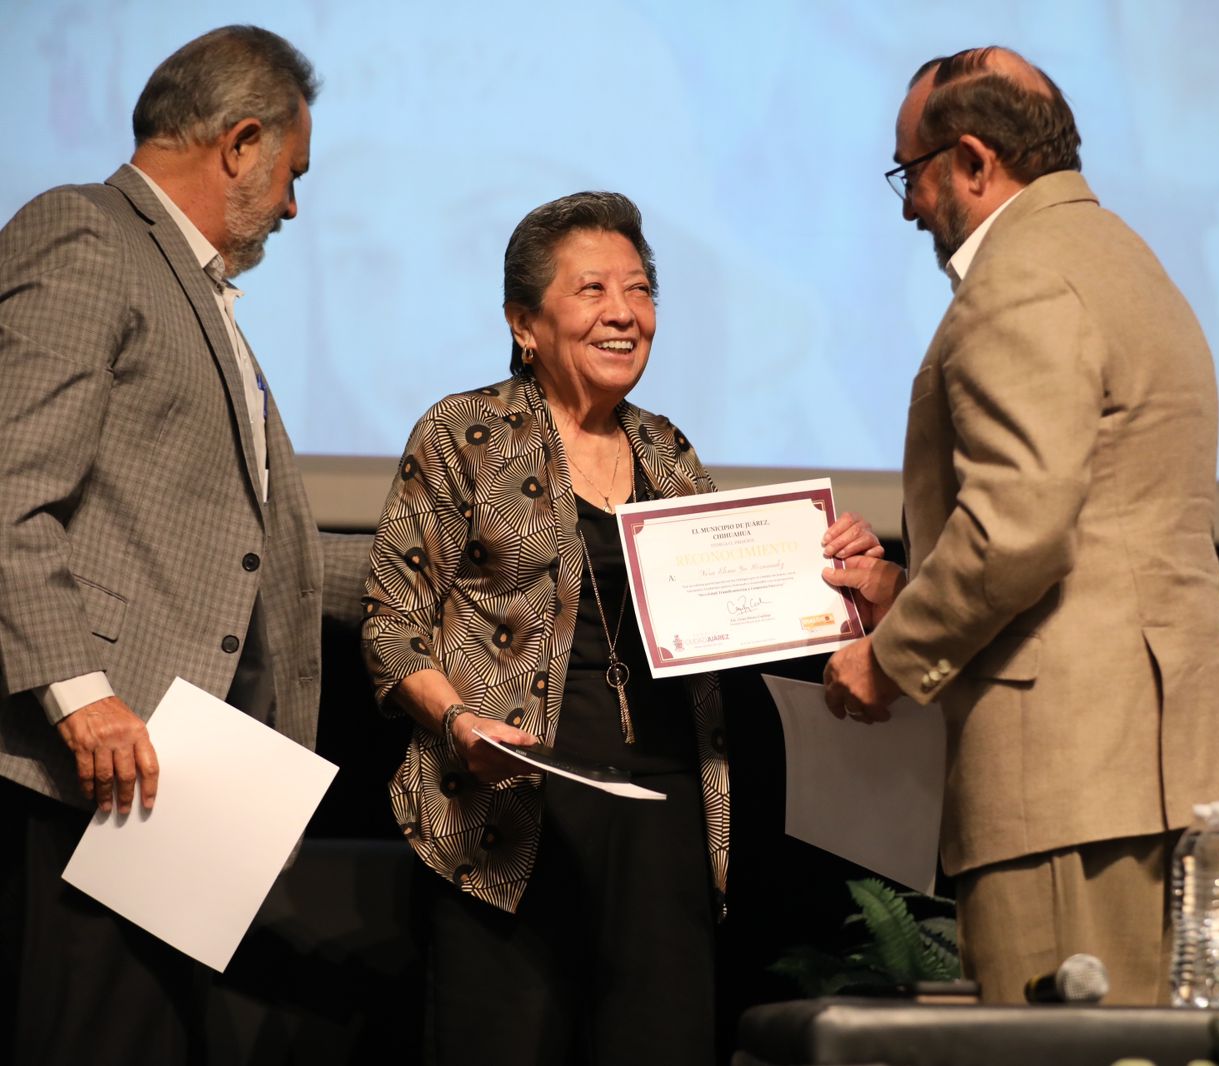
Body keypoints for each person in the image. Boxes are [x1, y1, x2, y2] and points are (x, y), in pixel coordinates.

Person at [361, 190, 878, 1065]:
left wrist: (831, 568)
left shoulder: (667, 450)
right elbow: (390, 619)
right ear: (524, 323)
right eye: (592, 289)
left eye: (640, 290)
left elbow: (736, 607)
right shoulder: (464, 434)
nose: (623, 313)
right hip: (509, 814)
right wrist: (457, 721)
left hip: (666, 813)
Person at [820, 46, 1219, 1006]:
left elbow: (1018, 529)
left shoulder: (1019, 278)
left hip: (1067, 778)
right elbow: (1095, 522)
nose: (908, 207)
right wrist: (904, 588)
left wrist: (888, 656)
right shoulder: (1123, 257)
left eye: (911, 172)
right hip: (1150, 766)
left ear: (975, 161)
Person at [0, 25, 371, 1066]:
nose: (292, 207)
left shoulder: (191, 287)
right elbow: (8, 490)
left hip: (178, 782)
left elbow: (256, 549)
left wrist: (438, 567)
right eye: (293, 173)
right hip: (89, 769)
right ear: (240, 142)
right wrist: (81, 695)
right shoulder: (87, 234)